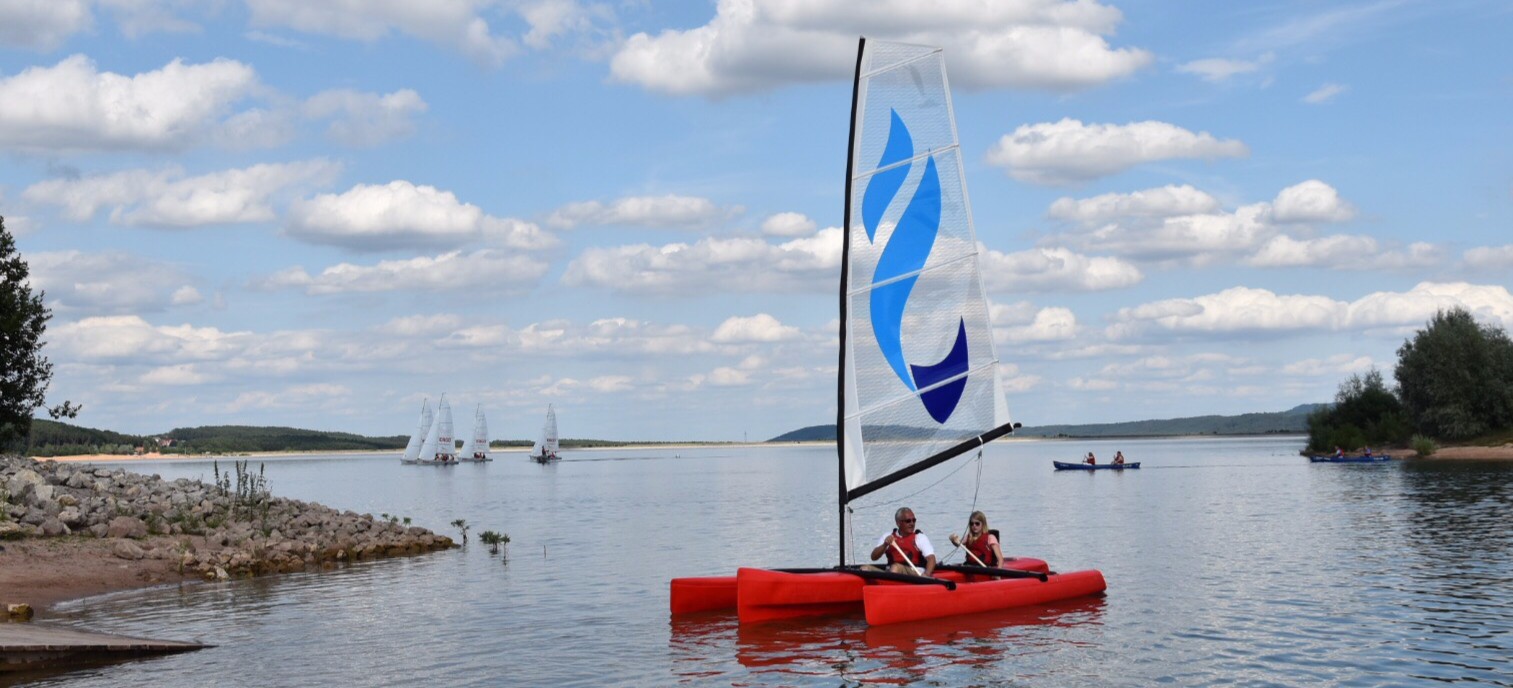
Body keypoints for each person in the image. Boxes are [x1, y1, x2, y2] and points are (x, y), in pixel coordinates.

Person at [868, 507, 936, 576]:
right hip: (891, 571)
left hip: (914, 573)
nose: (912, 523)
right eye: (908, 521)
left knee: (895, 567)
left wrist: (926, 574)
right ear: (898, 523)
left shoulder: (920, 537)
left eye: (914, 520)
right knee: (865, 568)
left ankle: (890, 584)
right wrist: (885, 545)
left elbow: (931, 559)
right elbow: (873, 557)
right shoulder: (888, 536)